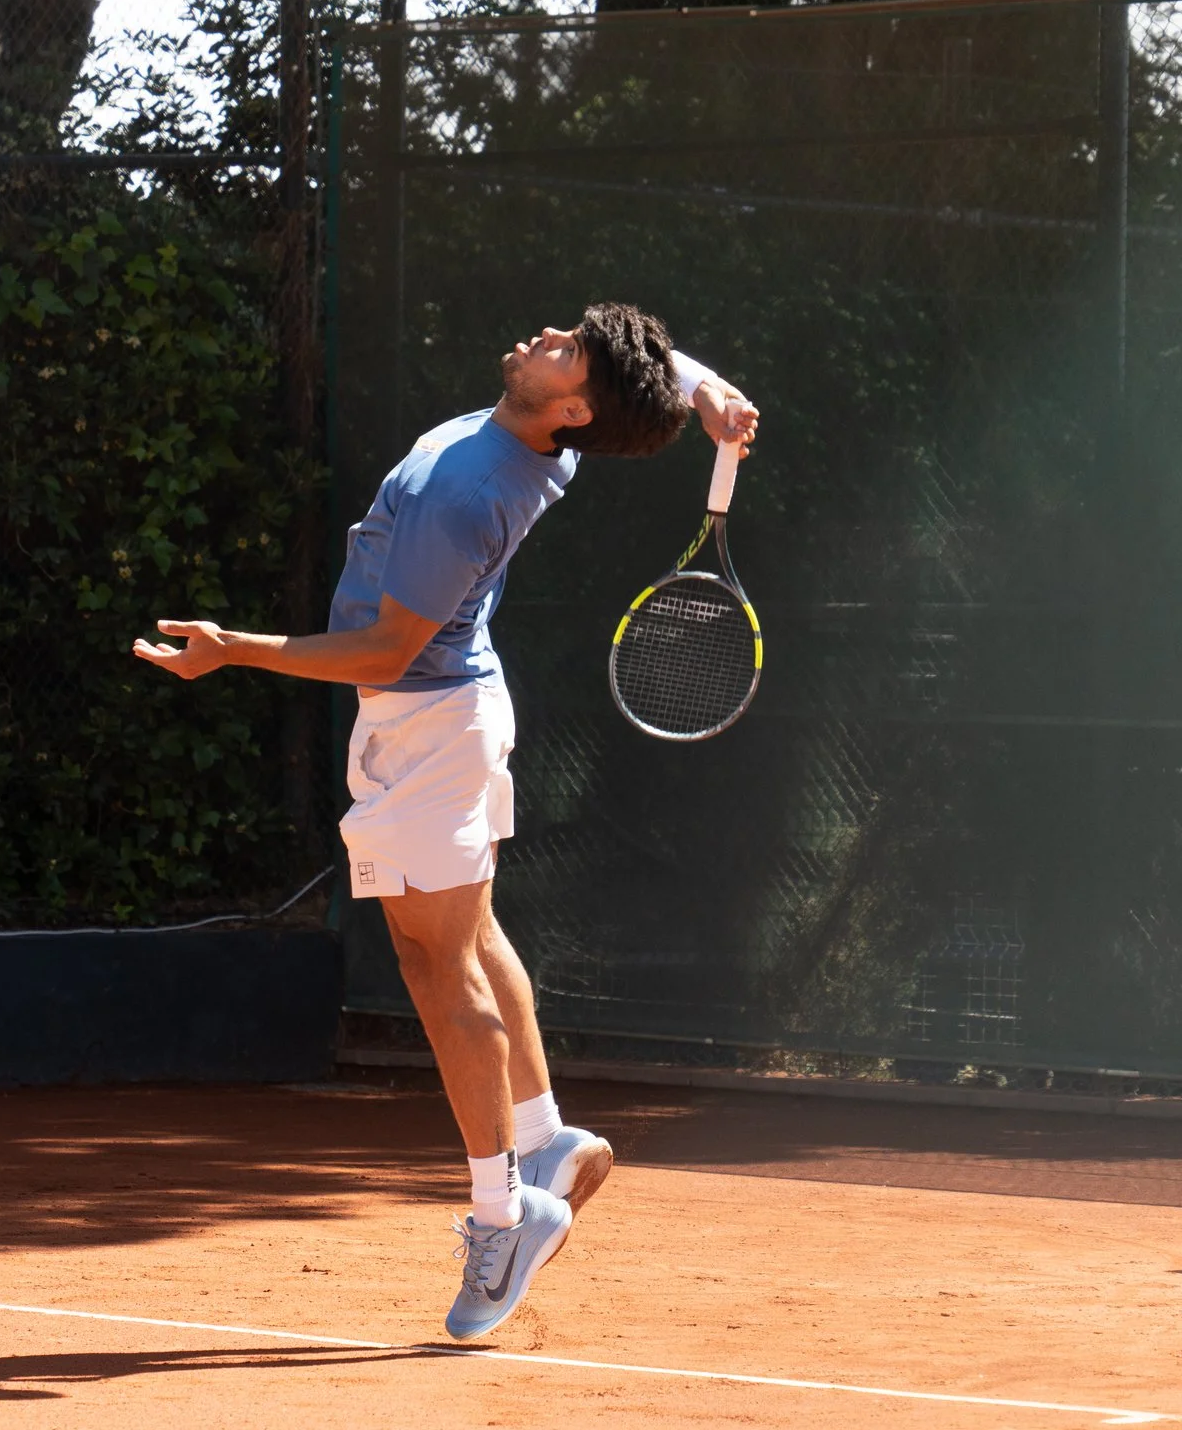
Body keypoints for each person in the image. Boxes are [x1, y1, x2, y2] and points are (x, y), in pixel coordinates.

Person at [134, 304, 758, 1337]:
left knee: (437, 969)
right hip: (456, 708)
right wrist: (702, 387)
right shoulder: (546, 438)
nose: (546, 331)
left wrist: (233, 647)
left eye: (567, 350)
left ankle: (504, 1211)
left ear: (573, 405)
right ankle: (544, 1135)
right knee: (467, 936)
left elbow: (381, 651)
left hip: (424, 726)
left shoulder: (466, 488)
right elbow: (630, 373)